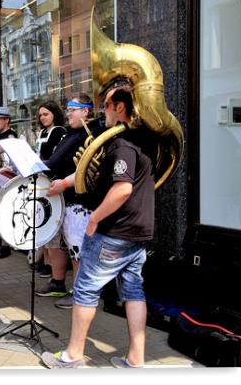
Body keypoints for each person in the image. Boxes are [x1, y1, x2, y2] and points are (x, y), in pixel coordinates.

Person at [41, 84, 155, 369]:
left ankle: (72, 356)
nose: (102, 111)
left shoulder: (122, 144)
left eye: (106, 105)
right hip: (138, 230)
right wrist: (69, 182)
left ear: (119, 108)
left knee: (85, 291)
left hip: (114, 229)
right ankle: (136, 361)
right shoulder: (144, 138)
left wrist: (94, 218)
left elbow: (122, 189)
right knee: (134, 292)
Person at [35, 96, 101, 310]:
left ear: (86, 112)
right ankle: (62, 284)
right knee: (68, 247)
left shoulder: (90, 134)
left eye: (74, 109)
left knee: (77, 249)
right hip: (66, 199)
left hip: (80, 202)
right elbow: (54, 161)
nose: (69, 113)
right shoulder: (71, 133)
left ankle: (80, 293)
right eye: (68, 109)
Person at [34, 100, 67, 278]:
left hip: (53, 180)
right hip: (43, 180)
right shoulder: (42, 132)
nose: (43, 117)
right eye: (40, 115)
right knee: (43, 223)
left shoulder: (59, 132)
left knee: (50, 225)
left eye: (46, 114)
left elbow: (57, 158)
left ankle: (52, 266)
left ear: (54, 113)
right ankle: (45, 262)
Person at [0, 106, 17, 259]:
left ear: (7, 120)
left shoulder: (11, 137)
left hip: (7, 176)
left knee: (4, 210)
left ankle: (5, 244)